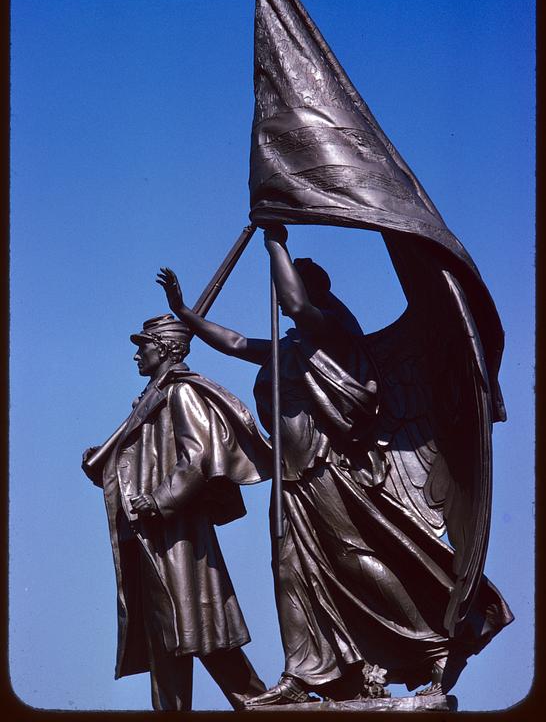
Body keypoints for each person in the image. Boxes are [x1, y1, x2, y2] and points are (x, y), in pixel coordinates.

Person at [157, 225, 513, 706]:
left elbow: (300, 307)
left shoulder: (330, 333)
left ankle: (436, 644)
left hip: (325, 470)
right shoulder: (293, 349)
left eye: (290, 292)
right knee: (289, 572)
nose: (282, 304)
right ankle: (304, 673)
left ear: (312, 290)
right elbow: (238, 343)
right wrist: (184, 314)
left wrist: (276, 243)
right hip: (291, 475)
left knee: (356, 558)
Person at [82, 313, 271, 711]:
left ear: (166, 347)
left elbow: (198, 458)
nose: (136, 353)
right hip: (151, 535)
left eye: (143, 345)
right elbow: (143, 459)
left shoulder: (181, 392)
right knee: (168, 636)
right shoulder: (152, 397)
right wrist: (107, 462)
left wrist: (160, 500)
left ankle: (262, 706)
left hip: (176, 534)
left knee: (194, 629)